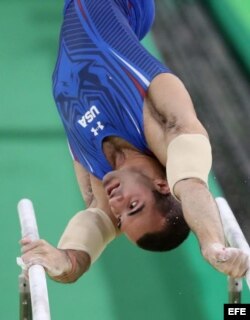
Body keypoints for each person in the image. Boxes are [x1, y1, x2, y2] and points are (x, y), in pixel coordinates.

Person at [20, 0, 249, 283]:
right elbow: (191, 181)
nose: (118, 205)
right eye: (134, 206)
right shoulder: (160, 123)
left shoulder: (97, 174)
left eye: (122, 218)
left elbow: (94, 228)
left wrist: (64, 262)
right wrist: (212, 244)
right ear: (162, 185)